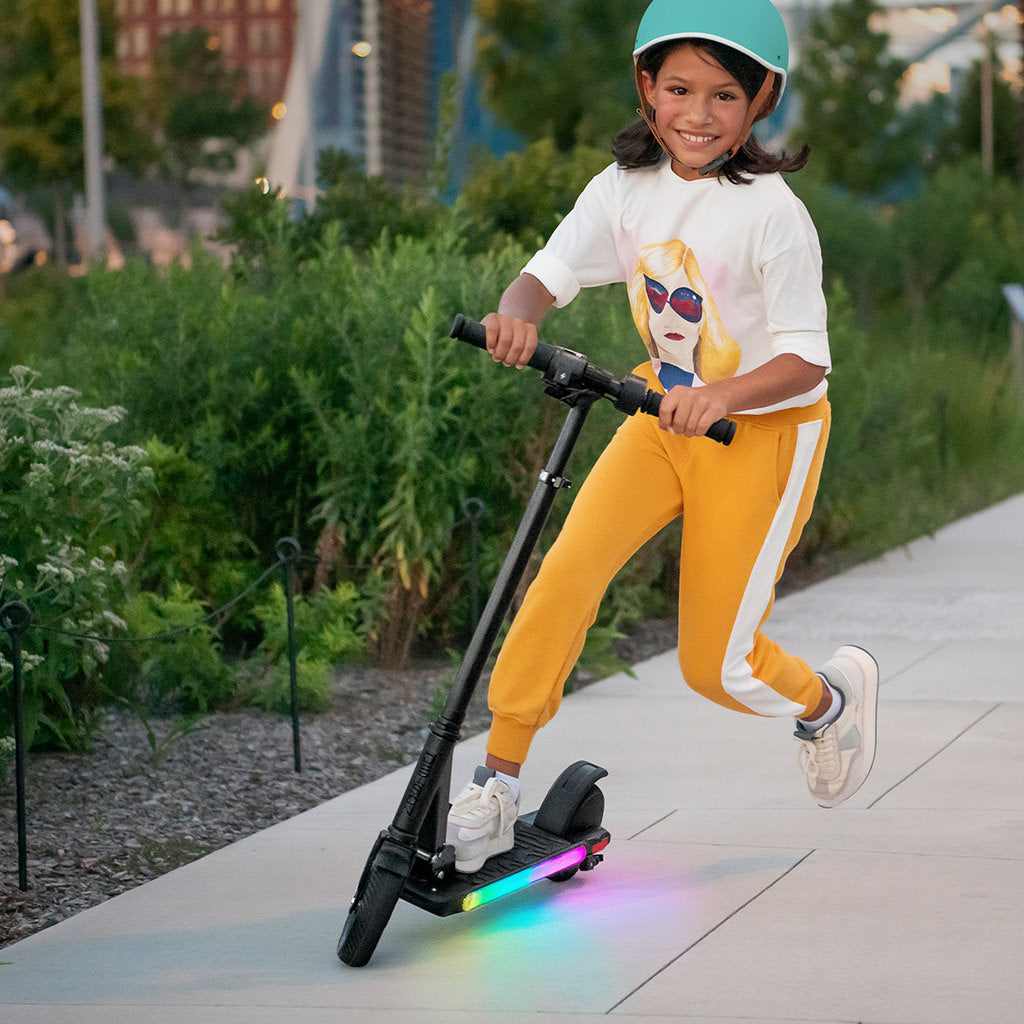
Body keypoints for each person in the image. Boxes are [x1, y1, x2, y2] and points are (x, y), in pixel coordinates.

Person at [446, 0, 878, 875]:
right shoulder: (624, 188)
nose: (696, 113)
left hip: (765, 434)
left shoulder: (773, 214)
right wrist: (514, 316)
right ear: (647, 88)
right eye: (677, 87)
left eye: (724, 96)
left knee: (714, 666)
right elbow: (547, 273)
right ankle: (498, 780)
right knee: (563, 573)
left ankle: (827, 700)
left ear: (760, 103)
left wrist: (721, 393)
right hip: (662, 416)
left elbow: (807, 361)